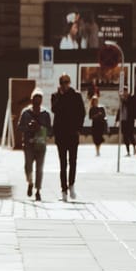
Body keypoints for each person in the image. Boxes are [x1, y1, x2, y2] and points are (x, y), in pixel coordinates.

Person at [51, 73, 86, 201]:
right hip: (60, 134)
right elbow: (54, 109)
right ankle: (63, 190)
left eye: (67, 82)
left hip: (72, 133)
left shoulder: (76, 95)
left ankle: (71, 185)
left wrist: (78, 129)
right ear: (60, 84)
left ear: (69, 82)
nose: (65, 85)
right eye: (62, 82)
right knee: (63, 163)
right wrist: (60, 96)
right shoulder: (55, 96)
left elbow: (82, 112)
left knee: (73, 161)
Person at [18, 88, 52, 200]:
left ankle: (38, 190)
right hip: (28, 143)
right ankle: (30, 182)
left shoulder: (45, 114)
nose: (37, 103)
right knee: (28, 166)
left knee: (40, 168)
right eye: (35, 101)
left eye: (39, 101)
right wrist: (28, 126)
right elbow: (19, 127)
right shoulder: (26, 113)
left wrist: (40, 127)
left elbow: (50, 130)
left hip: (40, 144)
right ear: (32, 101)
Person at [116, 90, 136, 156]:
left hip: (130, 120)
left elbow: (131, 107)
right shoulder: (122, 100)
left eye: (125, 92)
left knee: (131, 135)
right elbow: (119, 110)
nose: (124, 94)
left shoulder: (131, 99)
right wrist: (117, 120)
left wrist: (123, 100)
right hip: (123, 120)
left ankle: (134, 147)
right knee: (125, 136)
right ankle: (128, 151)